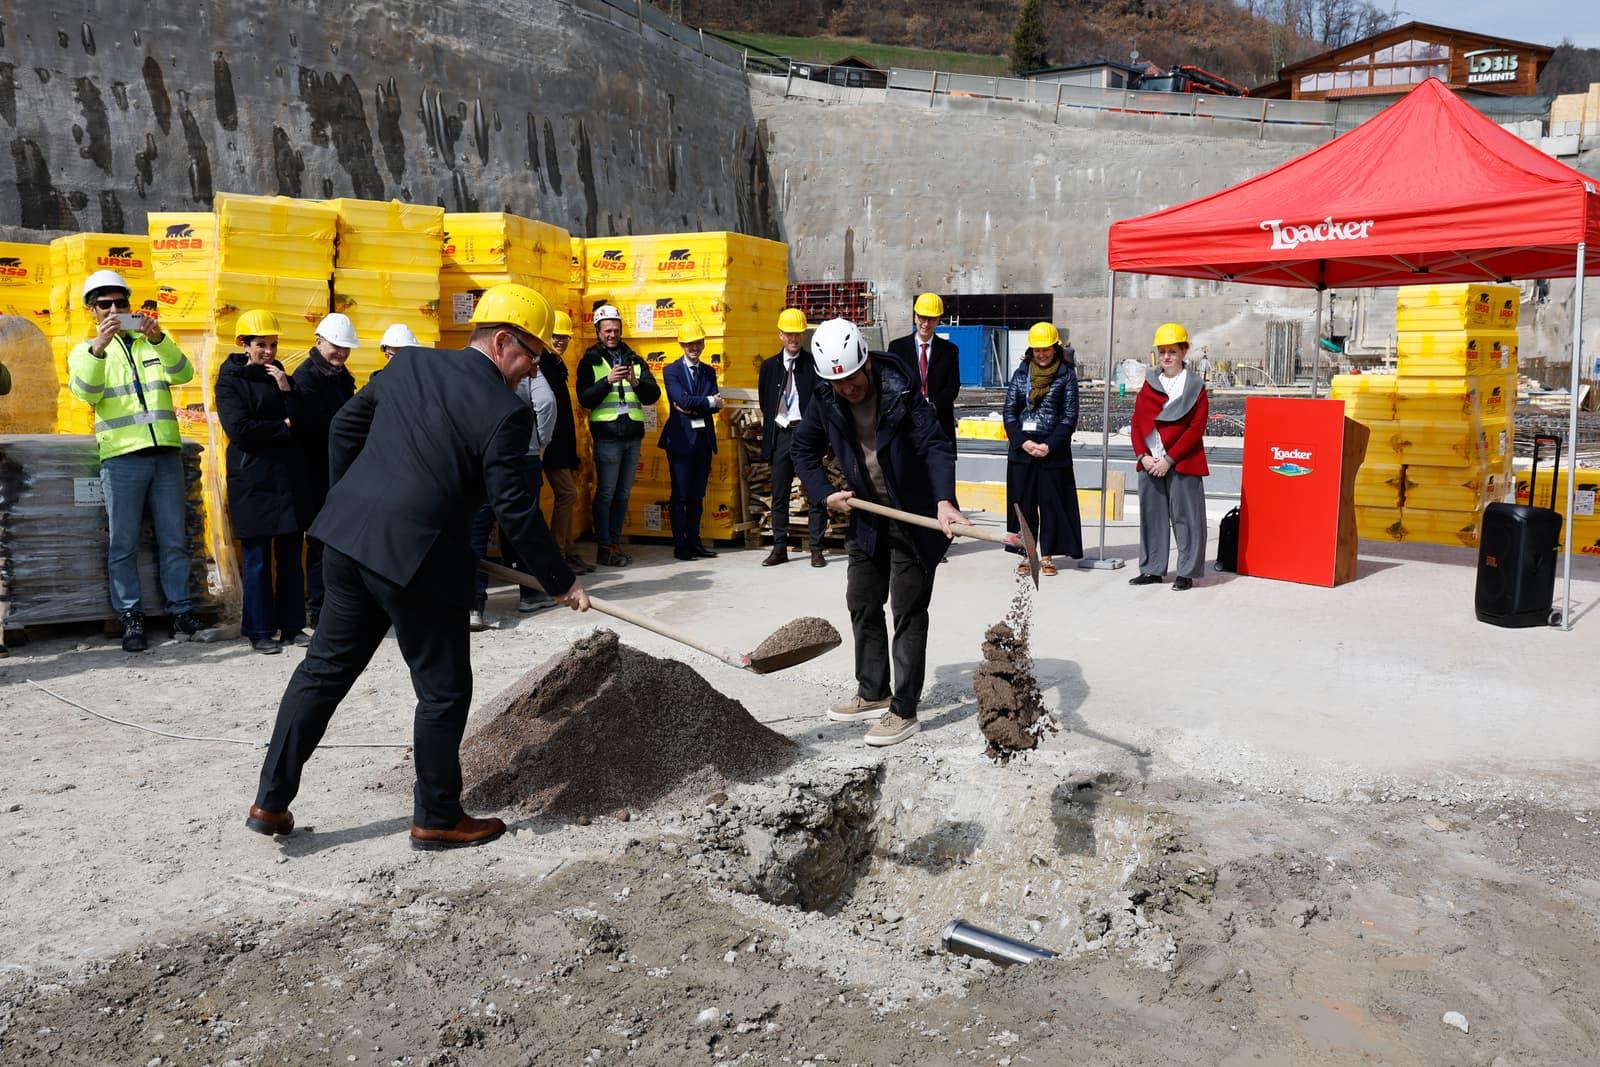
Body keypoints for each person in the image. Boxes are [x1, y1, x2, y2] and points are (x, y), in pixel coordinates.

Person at [247, 283, 588, 851]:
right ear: (503, 342)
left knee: (322, 673)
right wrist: (561, 580)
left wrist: (353, 500)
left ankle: (271, 801)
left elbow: (343, 430)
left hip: (348, 542)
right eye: (531, 355)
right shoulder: (506, 411)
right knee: (443, 691)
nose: (532, 371)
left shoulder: (410, 367)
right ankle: (436, 816)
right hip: (419, 561)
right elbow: (516, 509)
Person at [793, 319, 962, 748]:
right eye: (839, 383)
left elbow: (936, 446)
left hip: (912, 515)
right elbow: (803, 449)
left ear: (866, 363)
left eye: (852, 379)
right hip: (867, 515)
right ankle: (873, 690)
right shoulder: (826, 398)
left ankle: (903, 710)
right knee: (863, 601)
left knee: (907, 609)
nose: (847, 389)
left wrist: (944, 500)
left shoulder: (901, 393)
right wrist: (823, 492)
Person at [66, 269, 208, 652]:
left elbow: (184, 372)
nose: (114, 309)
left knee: (173, 539)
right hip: (122, 457)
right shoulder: (85, 350)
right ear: (91, 310)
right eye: (105, 304)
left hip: (164, 454)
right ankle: (131, 614)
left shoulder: (152, 344)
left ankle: (180, 611)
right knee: (124, 543)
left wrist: (159, 338)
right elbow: (86, 393)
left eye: (121, 303)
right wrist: (99, 347)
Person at [215, 310, 307, 654]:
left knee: (289, 557)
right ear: (244, 344)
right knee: (256, 560)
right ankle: (259, 630)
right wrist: (281, 427)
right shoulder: (229, 380)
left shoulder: (279, 376)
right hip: (252, 479)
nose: (268, 351)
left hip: (284, 478)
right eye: (261, 345)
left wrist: (286, 390)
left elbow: (300, 420)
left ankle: (293, 626)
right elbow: (239, 430)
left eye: (273, 344)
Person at [469, 337, 559, 625]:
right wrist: (541, 441)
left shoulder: (475, 367)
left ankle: (473, 605)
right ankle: (531, 594)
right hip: (523, 455)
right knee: (521, 524)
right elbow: (545, 403)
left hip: (479, 457)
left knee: (477, 527)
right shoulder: (527, 363)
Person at [576, 303, 660, 568]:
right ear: (598, 332)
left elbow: (653, 394)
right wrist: (608, 380)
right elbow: (584, 398)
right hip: (608, 437)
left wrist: (635, 382)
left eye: (616, 330)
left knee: (622, 495)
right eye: (607, 330)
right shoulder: (589, 360)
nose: (612, 334)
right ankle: (604, 546)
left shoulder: (634, 358)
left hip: (632, 436)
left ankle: (614, 543)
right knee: (606, 494)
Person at [291, 313, 359, 629]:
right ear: (319, 341)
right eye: (337, 347)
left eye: (346, 348)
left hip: (340, 472)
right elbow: (314, 427)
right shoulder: (306, 378)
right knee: (320, 543)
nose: (341, 353)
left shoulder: (341, 377)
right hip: (316, 474)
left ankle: (336, 605)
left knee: (341, 543)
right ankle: (319, 610)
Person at [1129, 322, 1210, 592]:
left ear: (1184, 352)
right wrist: (1143, 455)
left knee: (1186, 517)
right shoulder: (1150, 383)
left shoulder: (1195, 387)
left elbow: (1195, 429)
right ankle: (1152, 569)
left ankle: (1186, 572)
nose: (1167, 357)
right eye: (1163, 351)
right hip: (1151, 461)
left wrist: (1169, 459)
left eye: (1172, 351)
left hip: (1181, 461)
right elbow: (1138, 423)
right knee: (1152, 516)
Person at [1003, 322, 1083, 576]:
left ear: (1055, 348)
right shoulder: (1021, 374)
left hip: (1052, 451)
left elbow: (1069, 416)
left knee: (1052, 504)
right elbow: (1010, 412)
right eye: (1037, 350)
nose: (1041, 354)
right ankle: (1028, 554)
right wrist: (1022, 442)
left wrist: (1049, 445)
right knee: (1023, 505)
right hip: (1023, 451)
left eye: (1046, 349)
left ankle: (1047, 555)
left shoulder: (1066, 375)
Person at [758, 308, 827, 568]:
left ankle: (816, 549)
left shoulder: (813, 366)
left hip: (806, 435)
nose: (793, 339)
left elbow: (821, 401)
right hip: (781, 434)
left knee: (815, 491)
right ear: (780, 335)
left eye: (798, 334)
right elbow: (767, 402)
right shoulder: (769, 367)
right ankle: (779, 547)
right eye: (789, 334)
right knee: (780, 494)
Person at [659, 321, 723, 561]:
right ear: (682, 345)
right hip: (680, 440)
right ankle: (680, 545)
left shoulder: (708, 371)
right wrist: (706, 402)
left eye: (697, 343)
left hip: (703, 440)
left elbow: (712, 405)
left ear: (703, 343)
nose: (693, 347)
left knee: (697, 496)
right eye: (689, 344)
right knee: (680, 495)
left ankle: (695, 542)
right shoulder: (671, 370)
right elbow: (681, 400)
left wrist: (699, 404)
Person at [539, 311, 589, 575]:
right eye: (556, 336)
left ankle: (568, 550)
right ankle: (558, 553)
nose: (561, 341)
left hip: (561, 444)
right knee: (568, 494)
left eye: (565, 337)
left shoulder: (556, 364)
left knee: (568, 496)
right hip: (550, 444)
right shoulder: (543, 364)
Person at [887, 292, 960, 442]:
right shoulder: (897, 348)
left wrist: (932, 407)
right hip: (906, 425)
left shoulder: (949, 351)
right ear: (915, 316)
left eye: (931, 319)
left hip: (939, 425)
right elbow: (891, 385)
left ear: (938, 320)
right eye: (922, 318)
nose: (926, 324)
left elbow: (952, 387)